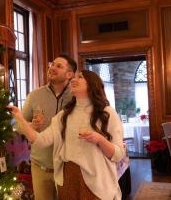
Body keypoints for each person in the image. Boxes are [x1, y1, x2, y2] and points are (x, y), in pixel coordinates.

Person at [9, 70, 125, 200]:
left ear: (93, 84)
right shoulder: (64, 115)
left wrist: (100, 140)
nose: (74, 80)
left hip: (98, 181)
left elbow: (118, 154)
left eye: (80, 77)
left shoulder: (107, 114)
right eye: (74, 77)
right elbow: (40, 140)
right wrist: (20, 119)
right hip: (68, 178)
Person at [20, 54, 77, 200]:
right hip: (40, 167)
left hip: (69, 168)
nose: (52, 68)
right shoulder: (34, 95)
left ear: (69, 74)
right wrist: (30, 126)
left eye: (59, 66)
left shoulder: (77, 96)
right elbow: (18, 124)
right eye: (52, 64)